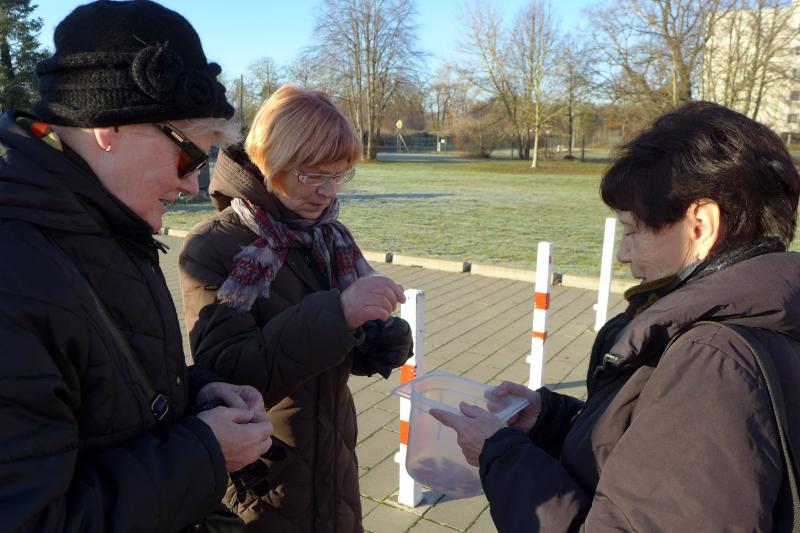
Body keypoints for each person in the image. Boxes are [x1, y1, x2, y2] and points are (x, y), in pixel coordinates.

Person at [431, 101, 800, 532]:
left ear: (700, 225)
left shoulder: (712, 360)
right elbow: (650, 454)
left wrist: (501, 455)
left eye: (632, 230)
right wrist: (549, 421)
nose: (624, 253)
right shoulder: (759, 317)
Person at [0, 1, 274, 531]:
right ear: (111, 126)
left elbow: (100, 393)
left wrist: (196, 396)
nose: (192, 184)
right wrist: (204, 451)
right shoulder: (14, 269)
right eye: (188, 157)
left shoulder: (102, 221)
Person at [179, 85, 412, 532]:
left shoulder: (327, 237)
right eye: (313, 175)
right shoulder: (214, 246)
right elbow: (227, 374)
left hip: (334, 472)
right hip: (263, 483)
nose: (328, 191)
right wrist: (338, 314)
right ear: (270, 159)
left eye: (340, 175)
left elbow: (332, 355)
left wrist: (378, 338)